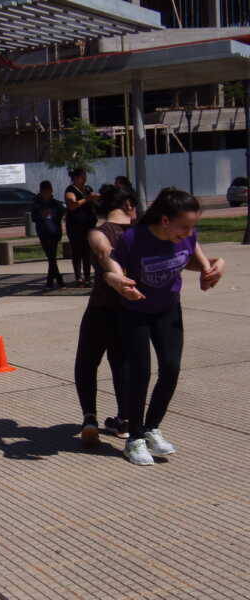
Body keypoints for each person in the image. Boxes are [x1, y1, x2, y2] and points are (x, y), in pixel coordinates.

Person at [105, 188, 225, 465]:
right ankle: (134, 438)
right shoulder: (134, 239)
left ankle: (151, 429)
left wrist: (214, 268)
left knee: (171, 368)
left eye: (193, 226)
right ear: (165, 220)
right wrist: (119, 282)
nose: (189, 232)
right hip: (134, 312)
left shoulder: (187, 236)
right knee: (141, 373)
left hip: (168, 310)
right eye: (184, 226)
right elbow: (111, 267)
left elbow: (197, 258)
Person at [74, 185, 136, 447]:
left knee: (87, 362)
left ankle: (90, 418)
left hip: (101, 307)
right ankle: (124, 420)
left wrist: (117, 277)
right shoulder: (141, 233)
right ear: (129, 205)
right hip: (132, 308)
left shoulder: (99, 232)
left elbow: (104, 252)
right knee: (121, 363)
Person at [64, 168, 98, 286]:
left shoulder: (88, 189)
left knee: (87, 252)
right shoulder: (70, 190)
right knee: (77, 252)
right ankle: (79, 277)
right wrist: (87, 199)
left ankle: (88, 277)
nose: (85, 179)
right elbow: (72, 205)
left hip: (88, 226)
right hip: (75, 227)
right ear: (76, 178)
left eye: (85, 176)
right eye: (82, 176)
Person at [31, 180, 66, 289]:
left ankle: (52, 282)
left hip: (54, 232)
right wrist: (42, 215)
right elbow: (34, 218)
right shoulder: (36, 204)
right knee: (51, 257)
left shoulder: (56, 203)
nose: (47, 193)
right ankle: (57, 281)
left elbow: (61, 214)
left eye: (49, 191)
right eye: (45, 191)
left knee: (52, 257)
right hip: (43, 232)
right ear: (41, 191)